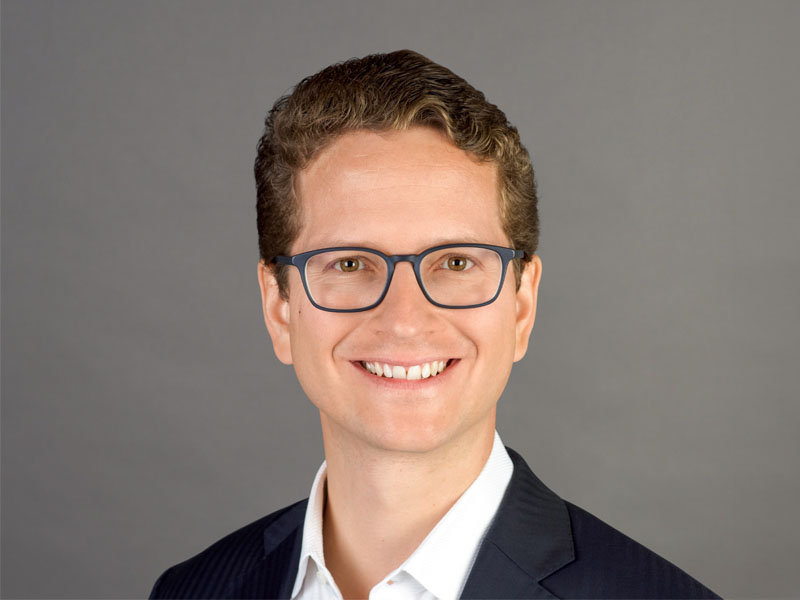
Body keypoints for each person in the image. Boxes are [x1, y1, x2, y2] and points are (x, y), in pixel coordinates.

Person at [149, 50, 718, 599]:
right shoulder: (192, 591)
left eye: (456, 263)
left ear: (521, 305)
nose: (404, 320)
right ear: (279, 307)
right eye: (350, 264)